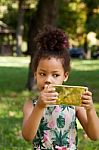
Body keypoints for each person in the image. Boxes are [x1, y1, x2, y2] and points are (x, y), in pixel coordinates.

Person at [22, 26, 99, 150]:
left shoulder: (75, 105)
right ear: (35, 75)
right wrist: (40, 106)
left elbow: (95, 135)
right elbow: (27, 136)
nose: (48, 79)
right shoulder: (31, 105)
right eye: (42, 74)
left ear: (65, 76)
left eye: (55, 75)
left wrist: (90, 109)